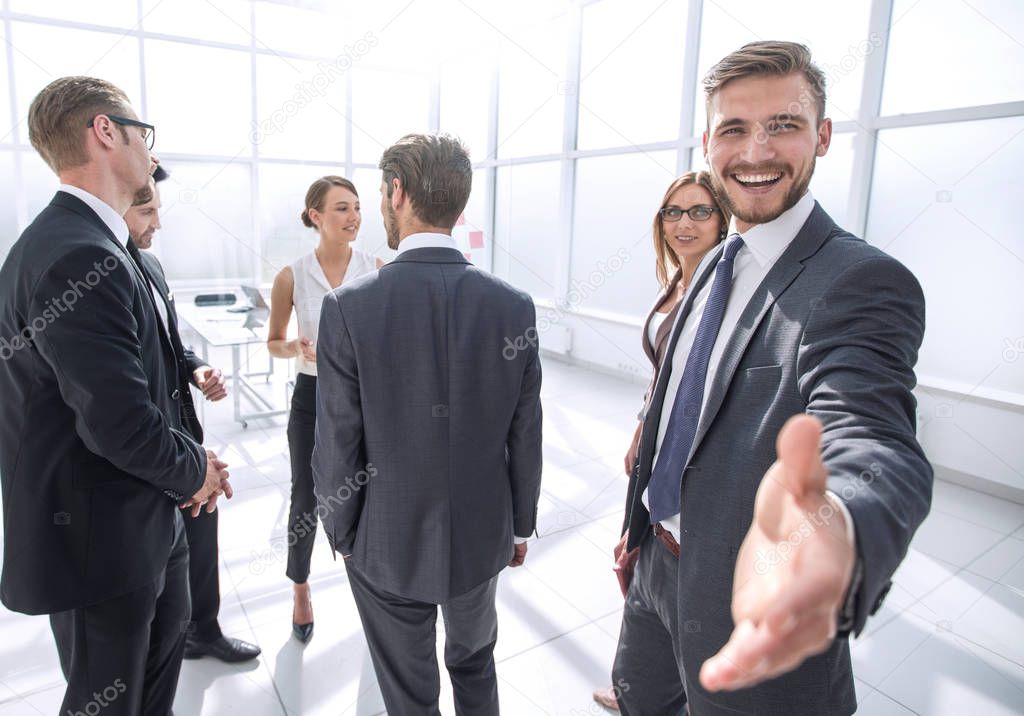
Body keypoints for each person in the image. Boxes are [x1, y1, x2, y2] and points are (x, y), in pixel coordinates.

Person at [611, 41, 932, 715]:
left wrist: (834, 527)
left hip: (744, 599)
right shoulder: (714, 265)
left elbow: (871, 435)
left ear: (822, 135)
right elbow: (681, 397)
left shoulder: (860, 282)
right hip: (653, 567)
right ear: (708, 143)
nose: (755, 153)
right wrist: (640, 528)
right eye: (734, 129)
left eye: (782, 126)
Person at [0, 76, 231, 716]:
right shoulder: (75, 253)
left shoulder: (102, 245)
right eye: (143, 135)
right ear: (106, 132)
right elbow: (119, 424)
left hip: (141, 520)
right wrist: (199, 471)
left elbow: (144, 383)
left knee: (151, 690)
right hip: (98, 542)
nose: (151, 154)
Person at [311, 133, 543, 715]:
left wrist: (341, 531)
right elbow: (525, 430)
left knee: (408, 691)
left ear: (396, 192)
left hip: (383, 542)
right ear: (457, 204)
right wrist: (520, 525)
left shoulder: (347, 307)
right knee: (475, 663)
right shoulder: (512, 305)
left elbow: (338, 436)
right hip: (481, 534)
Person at [593, 171, 730, 712]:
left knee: (675, 594)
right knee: (638, 568)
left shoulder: (725, 290)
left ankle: (652, 689)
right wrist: (640, 427)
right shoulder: (676, 282)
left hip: (693, 477)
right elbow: (667, 376)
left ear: (724, 218)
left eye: (699, 211)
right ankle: (638, 685)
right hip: (654, 444)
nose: (683, 223)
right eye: (673, 212)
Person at [124, 165, 261, 663]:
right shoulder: (103, 271)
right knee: (159, 559)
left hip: (183, 440)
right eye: (147, 210)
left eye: (159, 209)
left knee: (202, 535)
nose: (157, 222)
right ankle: (165, 641)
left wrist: (199, 370)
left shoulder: (153, 268)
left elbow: (172, 350)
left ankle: (204, 629)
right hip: (148, 448)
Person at [266, 175, 383, 643]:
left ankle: (373, 584)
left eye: (356, 207)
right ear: (316, 216)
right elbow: (274, 343)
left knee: (372, 489)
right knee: (304, 496)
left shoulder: (375, 268)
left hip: (364, 397)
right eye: (341, 208)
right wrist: (294, 345)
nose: (353, 216)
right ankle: (300, 589)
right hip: (312, 398)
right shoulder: (291, 276)